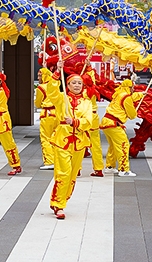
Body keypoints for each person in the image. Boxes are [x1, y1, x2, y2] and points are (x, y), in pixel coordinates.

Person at [46, 73, 94, 219]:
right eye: (74, 83)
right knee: (63, 173)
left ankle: (61, 199)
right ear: (67, 85)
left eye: (79, 83)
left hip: (79, 142)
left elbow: (88, 121)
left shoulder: (87, 102)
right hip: (62, 140)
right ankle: (59, 204)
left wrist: (75, 122)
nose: (77, 85)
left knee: (73, 174)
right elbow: (51, 91)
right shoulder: (62, 98)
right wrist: (55, 75)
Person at [99, 78, 138, 177]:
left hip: (106, 122)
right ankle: (124, 169)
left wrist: (141, 95)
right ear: (129, 87)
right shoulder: (126, 97)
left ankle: (110, 166)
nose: (134, 89)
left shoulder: (119, 94)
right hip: (114, 124)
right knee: (123, 145)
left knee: (113, 146)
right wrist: (134, 112)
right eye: (133, 87)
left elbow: (134, 96)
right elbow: (132, 115)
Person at [35, 66, 59, 170]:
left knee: (45, 138)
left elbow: (37, 103)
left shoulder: (41, 87)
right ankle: (56, 160)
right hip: (57, 113)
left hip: (47, 114)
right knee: (55, 138)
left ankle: (49, 161)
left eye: (40, 75)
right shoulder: (55, 84)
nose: (38, 77)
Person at [84, 73, 105, 177]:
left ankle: (77, 169)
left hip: (84, 118)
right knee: (96, 145)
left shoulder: (82, 92)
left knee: (77, 144)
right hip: (94, 117)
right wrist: (88, 68)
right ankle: (98, 169)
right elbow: (91, 76)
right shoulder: (93, 90)